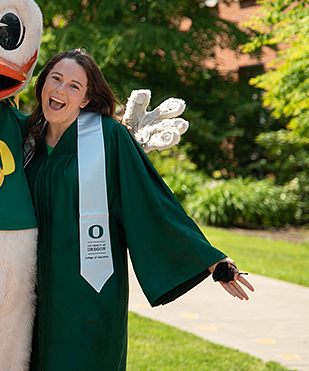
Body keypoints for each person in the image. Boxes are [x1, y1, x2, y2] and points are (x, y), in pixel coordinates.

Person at [23, 49, 254, 371]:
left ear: (87, 98)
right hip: (25, 290)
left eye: (74, 86)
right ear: (43, 83)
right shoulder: (25, 140)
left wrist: (211, 260)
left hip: (87, 292)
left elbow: (149, 201)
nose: (61, 90)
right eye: (56, 79)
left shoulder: (107, 138)